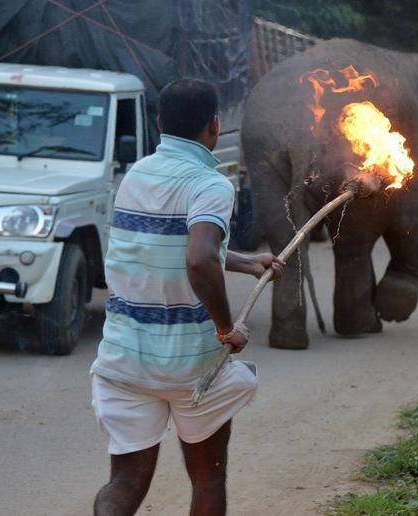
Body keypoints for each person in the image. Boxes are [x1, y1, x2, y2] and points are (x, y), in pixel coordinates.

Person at [90, 78, 284, 516]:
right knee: (207, 476)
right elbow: (198, 259)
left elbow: (179, 247)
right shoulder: (209, 184)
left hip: (124, 360)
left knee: (124, 484)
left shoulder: (135, 177)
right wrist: (225, 327)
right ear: (215, 126)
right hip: (192, 368)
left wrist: (246, 261)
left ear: (160, 123)